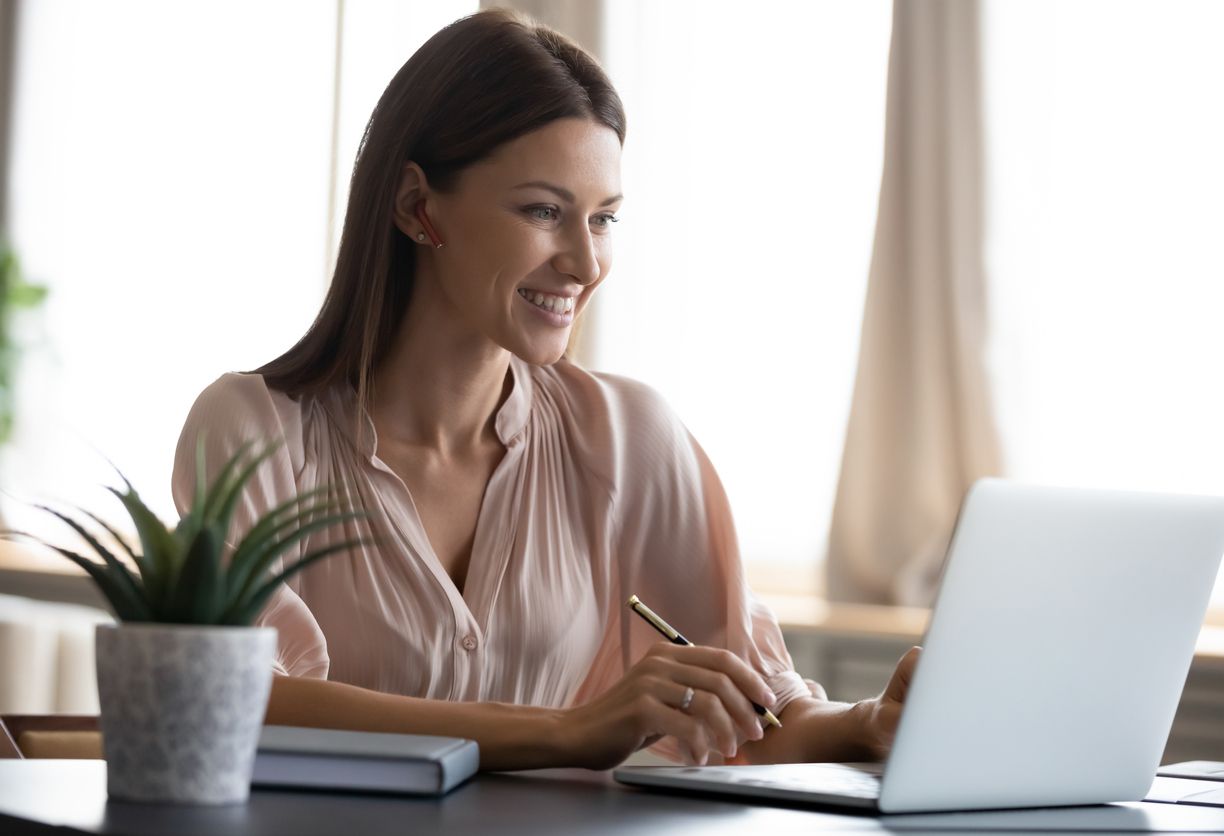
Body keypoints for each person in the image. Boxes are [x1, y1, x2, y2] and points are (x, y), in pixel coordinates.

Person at [173, 8, 917, 772]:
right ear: (416, 206)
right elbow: (232, 694)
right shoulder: (251, 430)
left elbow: (761, 717)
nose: (585, 263)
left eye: (603, 219)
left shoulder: (631, 438)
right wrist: (565, 732)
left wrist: (867, 723)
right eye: (543, 211)